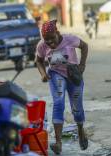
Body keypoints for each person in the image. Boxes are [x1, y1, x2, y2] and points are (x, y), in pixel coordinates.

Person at [35, 20, 89, 154]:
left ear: (57, 33)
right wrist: (42, 74)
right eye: (47, 40)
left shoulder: (70, 39)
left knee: (76, 106)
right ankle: (58, 142)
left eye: (52, 38)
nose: (50, 43)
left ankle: (81, 130)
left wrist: (82, 65)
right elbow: (39, 60)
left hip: (73, 75)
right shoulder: (42, 45)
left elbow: (85, 46)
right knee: (58, 102)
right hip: (56, 74)